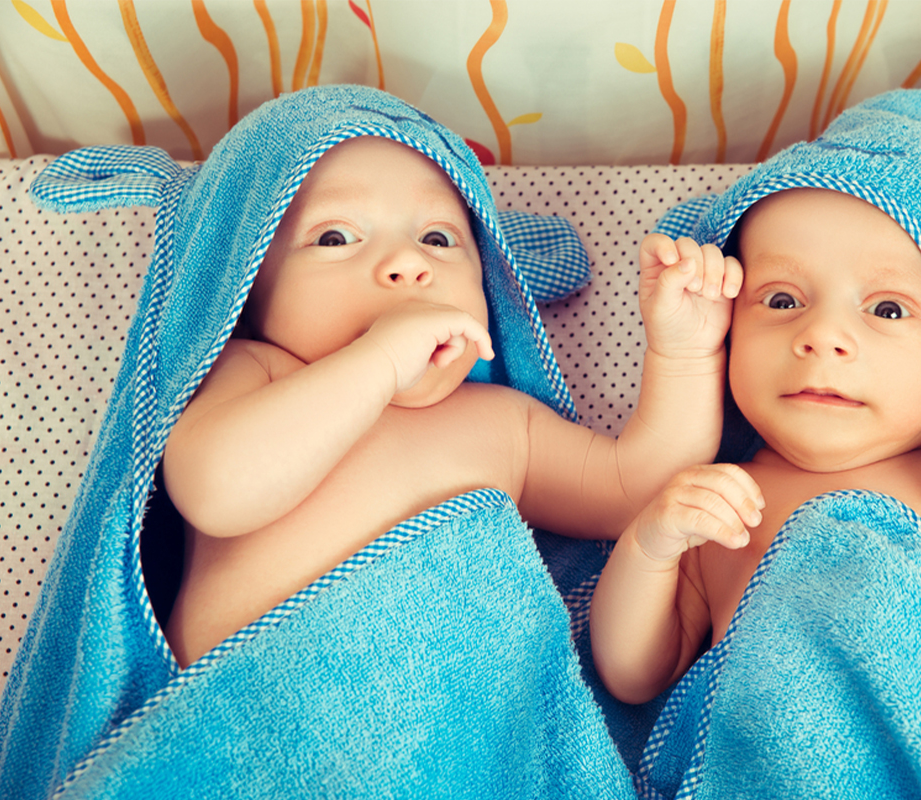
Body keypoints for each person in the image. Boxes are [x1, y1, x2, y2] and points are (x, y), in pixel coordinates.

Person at [162, 133, 741, 668]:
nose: (409, 265)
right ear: (246, 291)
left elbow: (636, 489)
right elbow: (215, 491)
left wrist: (687, 356)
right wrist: (381, 362)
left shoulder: (504, 425)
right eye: (335, 237)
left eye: (437, 239)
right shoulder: (255, 371)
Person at [589, 186, 921, 705]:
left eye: (887, 310)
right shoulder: (718, 509)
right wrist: (649, 546)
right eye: (782, 300)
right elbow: (634, 678)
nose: (823, 334)